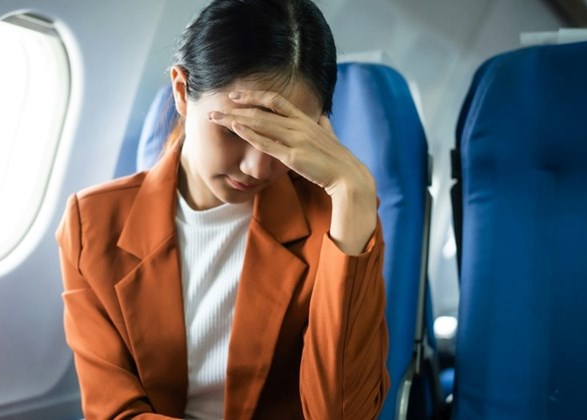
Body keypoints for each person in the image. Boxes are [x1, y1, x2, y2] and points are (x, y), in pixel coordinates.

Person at [56, 0, 389, 418]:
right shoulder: (93, 225)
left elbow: (343, 415)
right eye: (236, 129)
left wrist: (353, 192)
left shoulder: (338, 221)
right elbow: (115, 411)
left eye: (284, 139)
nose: (258, 166)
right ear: (181, 91)